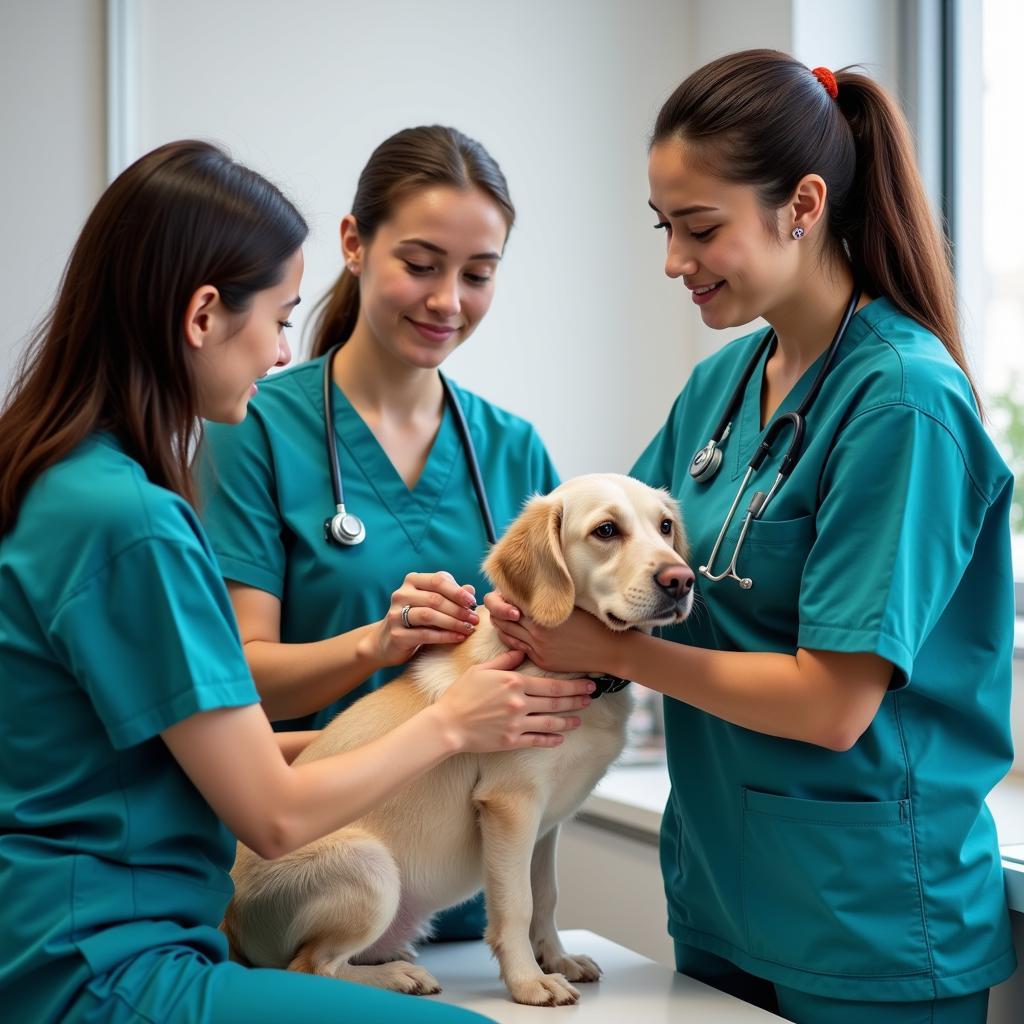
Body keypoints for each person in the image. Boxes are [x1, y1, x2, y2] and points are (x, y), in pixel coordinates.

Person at [0, 139, 593, 1024]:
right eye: (279, 317)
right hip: (112, 944)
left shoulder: (71, 482)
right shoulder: (134, 516)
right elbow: (272, 815)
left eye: (478, 272)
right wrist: (438, 716)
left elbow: (187, 744)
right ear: (204, 315)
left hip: (134, 916)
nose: (283, 347)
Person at [486, 50, 1017, 1024]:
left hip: (868, 924)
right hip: (723, 899)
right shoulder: (719, 390)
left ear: (802, 204)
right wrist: (509, 607)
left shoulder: (901, 399)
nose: (673, 260)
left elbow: (832, 705)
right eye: (664, 227)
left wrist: (612, 651)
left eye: (699, 228)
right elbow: (600, 565)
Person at [197, 125, 560, 940]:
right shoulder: (251, 430)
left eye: (478, 274)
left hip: (471, 908)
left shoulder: (515, 452)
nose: (448, 302)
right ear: (355, 245)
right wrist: (375, 643)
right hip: (322, 882)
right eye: (421, 265)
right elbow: (238, 681)